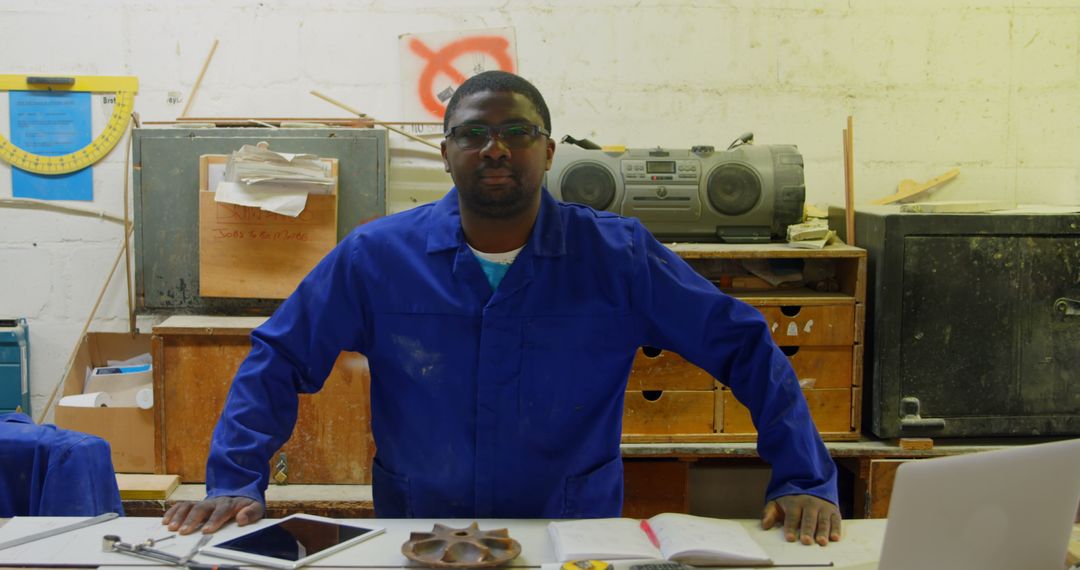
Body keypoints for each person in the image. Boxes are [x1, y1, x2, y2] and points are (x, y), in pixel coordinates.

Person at [164, 70, 842, 546]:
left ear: (549, 151)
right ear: (446, 153)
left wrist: (804, 477)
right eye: (472, 133)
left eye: (517, 132)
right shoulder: (377, 258)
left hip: (571, 537)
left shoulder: (618, 257)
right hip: (421, 536)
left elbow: (746, 346)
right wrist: (235, 479)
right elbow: (279, 356)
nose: (495, 148)